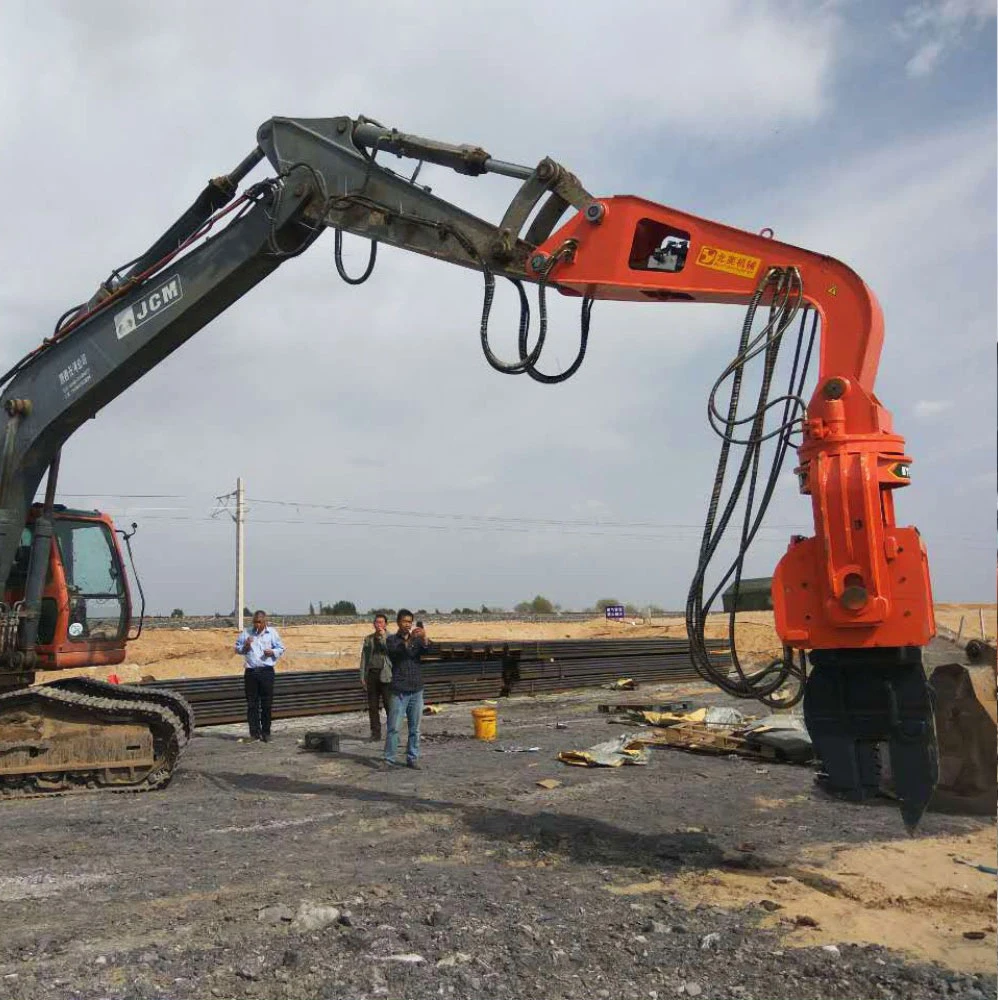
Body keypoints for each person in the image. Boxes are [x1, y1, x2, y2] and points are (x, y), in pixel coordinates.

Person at [383, 609, 431, 769]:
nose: (408, 625)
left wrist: (424, 637)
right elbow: (399, 651)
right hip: (400, 691)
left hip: (416, 690)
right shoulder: (391, 640)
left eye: (410, 622)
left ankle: (412, 757)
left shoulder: (417, 640)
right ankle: (389, 759)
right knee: (394, 728)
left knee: (415, 729)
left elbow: (429, 650)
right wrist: (412, 640)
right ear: (398, 622)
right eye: (405, 621)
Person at [234, 609, 285, 743]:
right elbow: (237, 648)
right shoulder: (246, 633)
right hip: (251, 673)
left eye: (259, 622)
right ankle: (254, 733)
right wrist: (245, 646)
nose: (257, 625)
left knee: (267, 704)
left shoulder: (272, 633)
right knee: (252, 705)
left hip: (266, 672)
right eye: (255, 622)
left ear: (265, 622)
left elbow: (281, 648)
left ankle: (266, 732)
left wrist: (272, 652)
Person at [359, 613, 392, 741]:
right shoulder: (369, 639)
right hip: (372, 674)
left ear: (385, 624)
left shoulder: (391, 638)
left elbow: (389, 651)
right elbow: (364, 658)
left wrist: (382, 636)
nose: (379, 624)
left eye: (381, 622)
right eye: (377, 622)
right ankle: (375, 733)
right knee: (372, 706)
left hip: (386, 674)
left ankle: (392, 733)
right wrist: (362, 675)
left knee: (389, 705)